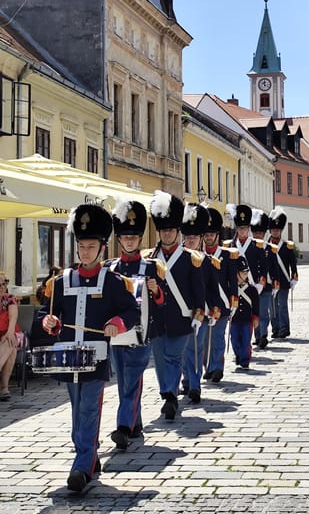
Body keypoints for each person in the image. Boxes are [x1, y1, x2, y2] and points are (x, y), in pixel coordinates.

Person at [38, 204, 139, 493]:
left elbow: (131, 311)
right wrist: (50, 322)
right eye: (81, 246)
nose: (84, 252)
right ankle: (89, 457)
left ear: (102, 247)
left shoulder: (114, 281)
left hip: (97, 358)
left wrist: (117, 323)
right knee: (76, 410)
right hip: (69, 357)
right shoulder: (60, 282)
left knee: (88, 410)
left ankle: (81, 465)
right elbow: (48, 314)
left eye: (90, 246)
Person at [105, 200, 165, 450]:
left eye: (134, 237)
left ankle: (123, 428)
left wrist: (156, 290)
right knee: (124, 382)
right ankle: (136, 422)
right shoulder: (110, 268)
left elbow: (164, 302)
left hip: (141, 336)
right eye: (125, 237)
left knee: (132, 380)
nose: (129, 241)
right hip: (117, 336)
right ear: (119, 239)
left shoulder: (152, 267)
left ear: (140, 238)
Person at [148, 191, 206, 420]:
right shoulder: (150, 257)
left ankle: (171, 396)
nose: (167, 233)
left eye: (171, 230)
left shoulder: (191, 258)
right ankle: (167, 391)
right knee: (160, 360)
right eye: (164, 230)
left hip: (182, 317)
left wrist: (198, 314)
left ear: (177, 231)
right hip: (157, 319)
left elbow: (198, 290)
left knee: (174, 357)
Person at [180, 202, 218, 404]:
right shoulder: (178, 260)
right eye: (187, 237)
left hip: (200, 311)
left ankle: (195, 386)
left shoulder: (208, 261)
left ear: (201, 238)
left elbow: (212, 289)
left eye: (194, 237)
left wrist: (213, 310)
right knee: (182, 349)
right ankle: (186, 380)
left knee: (196, 347)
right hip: (180, 310)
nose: (190, 240)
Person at [203, 207, 238, 383]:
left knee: (217, 337)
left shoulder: (226, 255)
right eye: (206, 234)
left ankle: (217, 367)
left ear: (218, 235)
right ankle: (208, 366)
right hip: (203, 304)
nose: (209, 237)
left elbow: (232, 281)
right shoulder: (198, 256)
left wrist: (233, 301)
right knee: (204, 340)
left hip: (221, 303)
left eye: (212, 234)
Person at [268, 207, 298, 339]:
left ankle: (284, 328)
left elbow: (293, 263)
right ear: (270, 230)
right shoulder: (266, 246)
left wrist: (294, 277)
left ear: (281, 231)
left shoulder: (287, 246)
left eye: (278, 230)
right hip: (270, 281)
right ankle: (275, 329)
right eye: (274, 230)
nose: (275, 232)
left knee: (282, 306)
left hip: (284, 281)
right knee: (272, 307)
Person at [251, 208, 279, 348]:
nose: (258, 235)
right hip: (252, 286)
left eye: (260, 233)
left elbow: (275, 267)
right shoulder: (248, 248)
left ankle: (263, 335)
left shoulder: (269, 248)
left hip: (266, 285)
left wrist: (275, 283)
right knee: (254, 312)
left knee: (263, 312)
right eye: (256, 232)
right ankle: (257, 336)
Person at [230, 256, 259, 370]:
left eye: (247, 272)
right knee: (234, 340)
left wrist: (256, 317)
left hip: (247, 320)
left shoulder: (252, 289)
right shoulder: (232, 289)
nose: (246, 274)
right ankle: (238, 355)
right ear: (237, 274)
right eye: (243, 272)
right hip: (235, 319)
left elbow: (256, 306)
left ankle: (245, 360)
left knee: (246, 341)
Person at [0, 273, 22, 400]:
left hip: (13, 333)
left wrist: (8, 333)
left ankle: (4, 388)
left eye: (4, 283)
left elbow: (13, 318)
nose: (2, 287)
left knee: (10, 341)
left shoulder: (9, 298)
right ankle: (4, 388)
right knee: (12, 349)